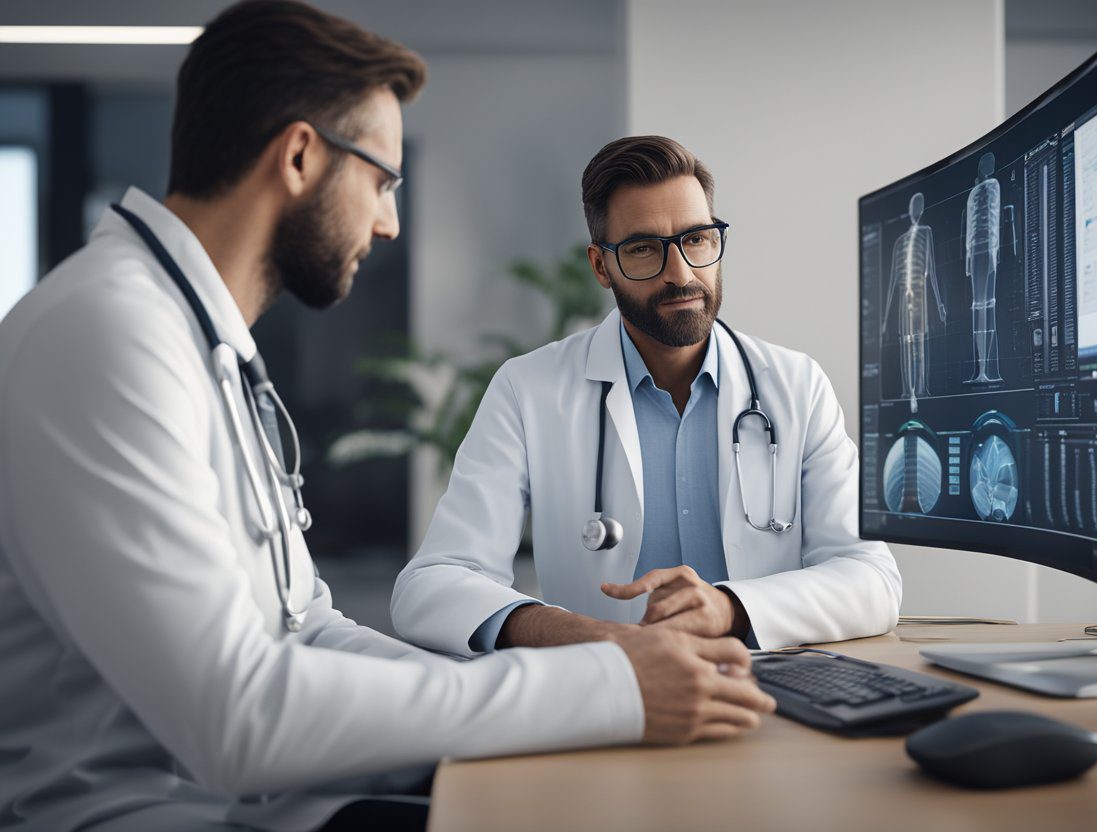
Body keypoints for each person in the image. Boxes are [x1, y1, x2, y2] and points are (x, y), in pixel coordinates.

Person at [0, 5, 774, 831]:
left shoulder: (194, 342)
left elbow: (305, 627)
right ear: (299, 156)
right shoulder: (108, 335)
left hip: (244, 799)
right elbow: (239, 717)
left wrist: (602, 667)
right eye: (381, 178)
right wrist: (605, 689)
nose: (388, 220)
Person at [392, 136, 903, 658]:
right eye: (643, 250)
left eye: (697, 239)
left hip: (767, 689)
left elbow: (871, 578)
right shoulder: (527, 389)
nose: (680, 273)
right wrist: (589, 636)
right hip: (603, 689)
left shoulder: (796, 385)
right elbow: (432, 585)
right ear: (600, 266)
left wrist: (730, 609)